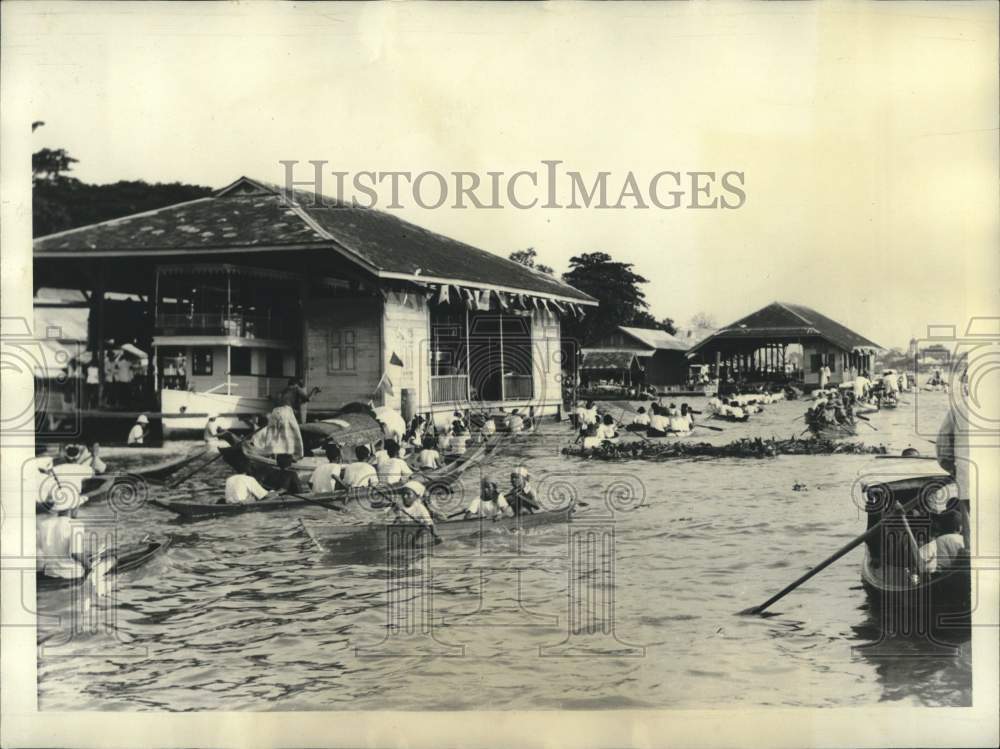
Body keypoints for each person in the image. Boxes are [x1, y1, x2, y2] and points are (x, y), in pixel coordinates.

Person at [36, 486, 88, 580]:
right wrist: (89, 567)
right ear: (73, 508)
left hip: (50, 573)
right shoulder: (76, 525)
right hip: (72, 574)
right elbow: (76, 553)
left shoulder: (44, 524)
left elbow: (39, 552)